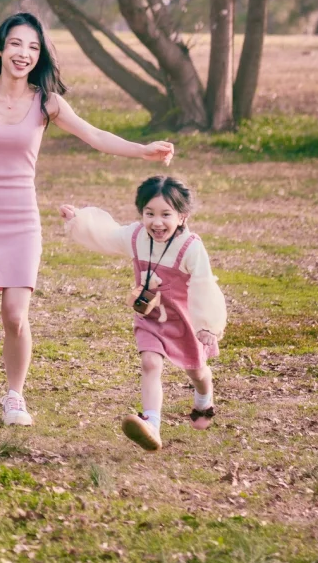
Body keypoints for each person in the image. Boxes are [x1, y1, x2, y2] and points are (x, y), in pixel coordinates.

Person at [0, 12, 174, 429]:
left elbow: (95, 136)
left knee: (14, 316)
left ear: (38, 55)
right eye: (16, 44)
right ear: (0, 48)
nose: (24, 53)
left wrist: (143, 150)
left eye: (33, 47)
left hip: (21, 221)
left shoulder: (46, 102)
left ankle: (14, 397)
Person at [59, 175, 226, 451]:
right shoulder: (136, 236)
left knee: (196, 371)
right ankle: (152, 425)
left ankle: (204, 398)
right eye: (149, 213)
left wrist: (207, 324)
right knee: (150, 363)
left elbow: (204, 284)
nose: (156, 222)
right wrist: (78, 220)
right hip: (149, 316)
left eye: (165, 214)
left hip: (186, 320)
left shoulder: (191, 247)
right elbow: (107, 235)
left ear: (182, 216)